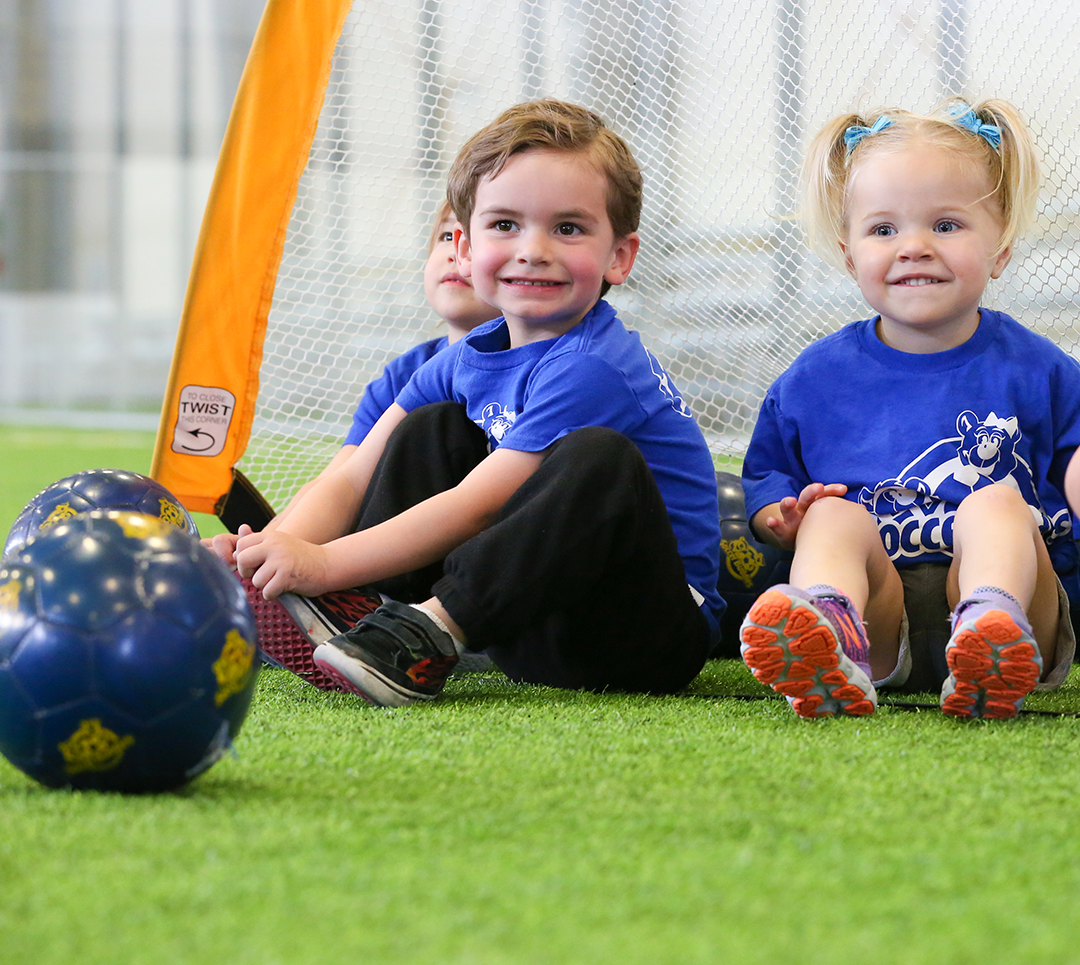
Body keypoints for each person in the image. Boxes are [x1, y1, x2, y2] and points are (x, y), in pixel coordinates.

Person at [214, 98, 723, 706]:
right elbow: (353, 474)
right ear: (462, 246)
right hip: (527, 617)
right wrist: (267, 563)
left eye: (568, 228)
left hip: (636, 634)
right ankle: (363, 613)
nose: (533, 249)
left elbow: (477, 508)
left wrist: (322, 563)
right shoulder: (463, 357)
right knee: (432, 427)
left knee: (598, 456)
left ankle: (426, 631)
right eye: (505, 224)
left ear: (619, 256)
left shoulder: (593, 367)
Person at [738, 98, 1080, 720]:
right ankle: (828, 633)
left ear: (1001, 249)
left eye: (946, 225)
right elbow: (768, 481)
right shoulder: (813, 379)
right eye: (883, 230)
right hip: (881, 612)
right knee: (831, 515)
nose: (914, 247)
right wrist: (780, 519)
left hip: (1016, 606)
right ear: (850, 256)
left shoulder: (1039, 368)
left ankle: (990, 632)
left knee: (997, 502)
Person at [238, 199, 500, 686]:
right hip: (379, 567)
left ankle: (417, 622)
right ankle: (334, 610)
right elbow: (341, 480)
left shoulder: (543, 370)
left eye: (480, 238)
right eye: (446, 237)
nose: (455, 252)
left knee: (433, 424)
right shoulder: (406, 373)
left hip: (473, 579)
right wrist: (259, 555)